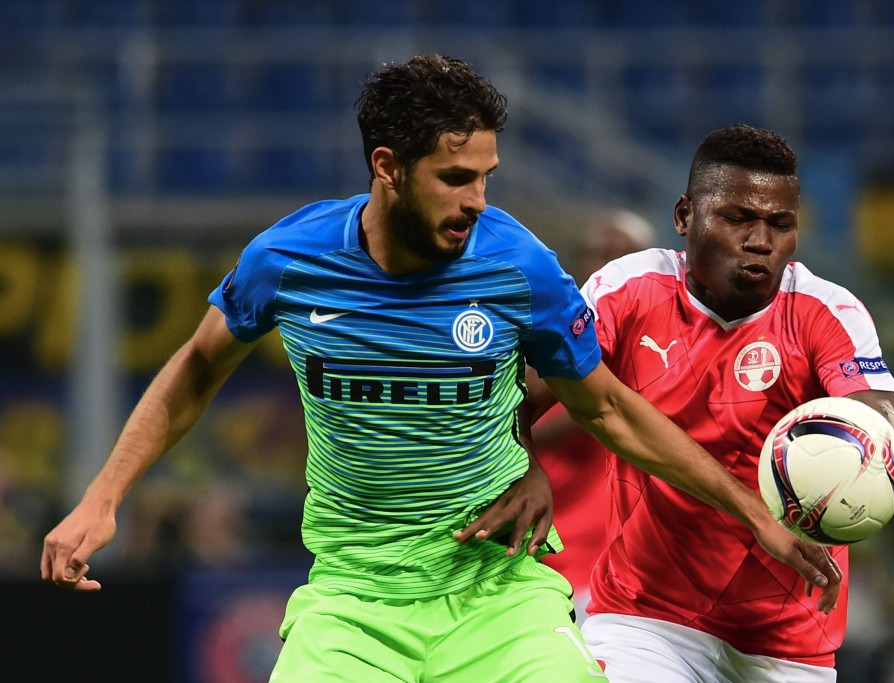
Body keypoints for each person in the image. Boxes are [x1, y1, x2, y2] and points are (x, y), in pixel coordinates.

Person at [40, 57, 841, 683]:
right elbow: (194, 369)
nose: (477, 200)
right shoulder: (288, 259)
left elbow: (610, 409)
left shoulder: (516, 263)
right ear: (388, 166)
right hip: (354, 601)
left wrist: (756, 515)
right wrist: (102, 499)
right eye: (456, 178)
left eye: (487, 175)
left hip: (496, 594)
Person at [526, 123, 894, 682]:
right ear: (685, 215)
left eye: (779, 224)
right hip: (646, 617)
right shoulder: (629, 289)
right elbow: (521, 397)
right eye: (738, 218)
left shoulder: (826, 312)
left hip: (790, 638)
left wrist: (881, 464)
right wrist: (523, 465)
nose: (761, 240)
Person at [535, 209, 656, 622]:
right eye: (596, 253)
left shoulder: (656, 351)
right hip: (542, 564)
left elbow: (607, 409)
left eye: (622, 256)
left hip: (616, 577)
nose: (604, 266)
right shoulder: (546, 340)